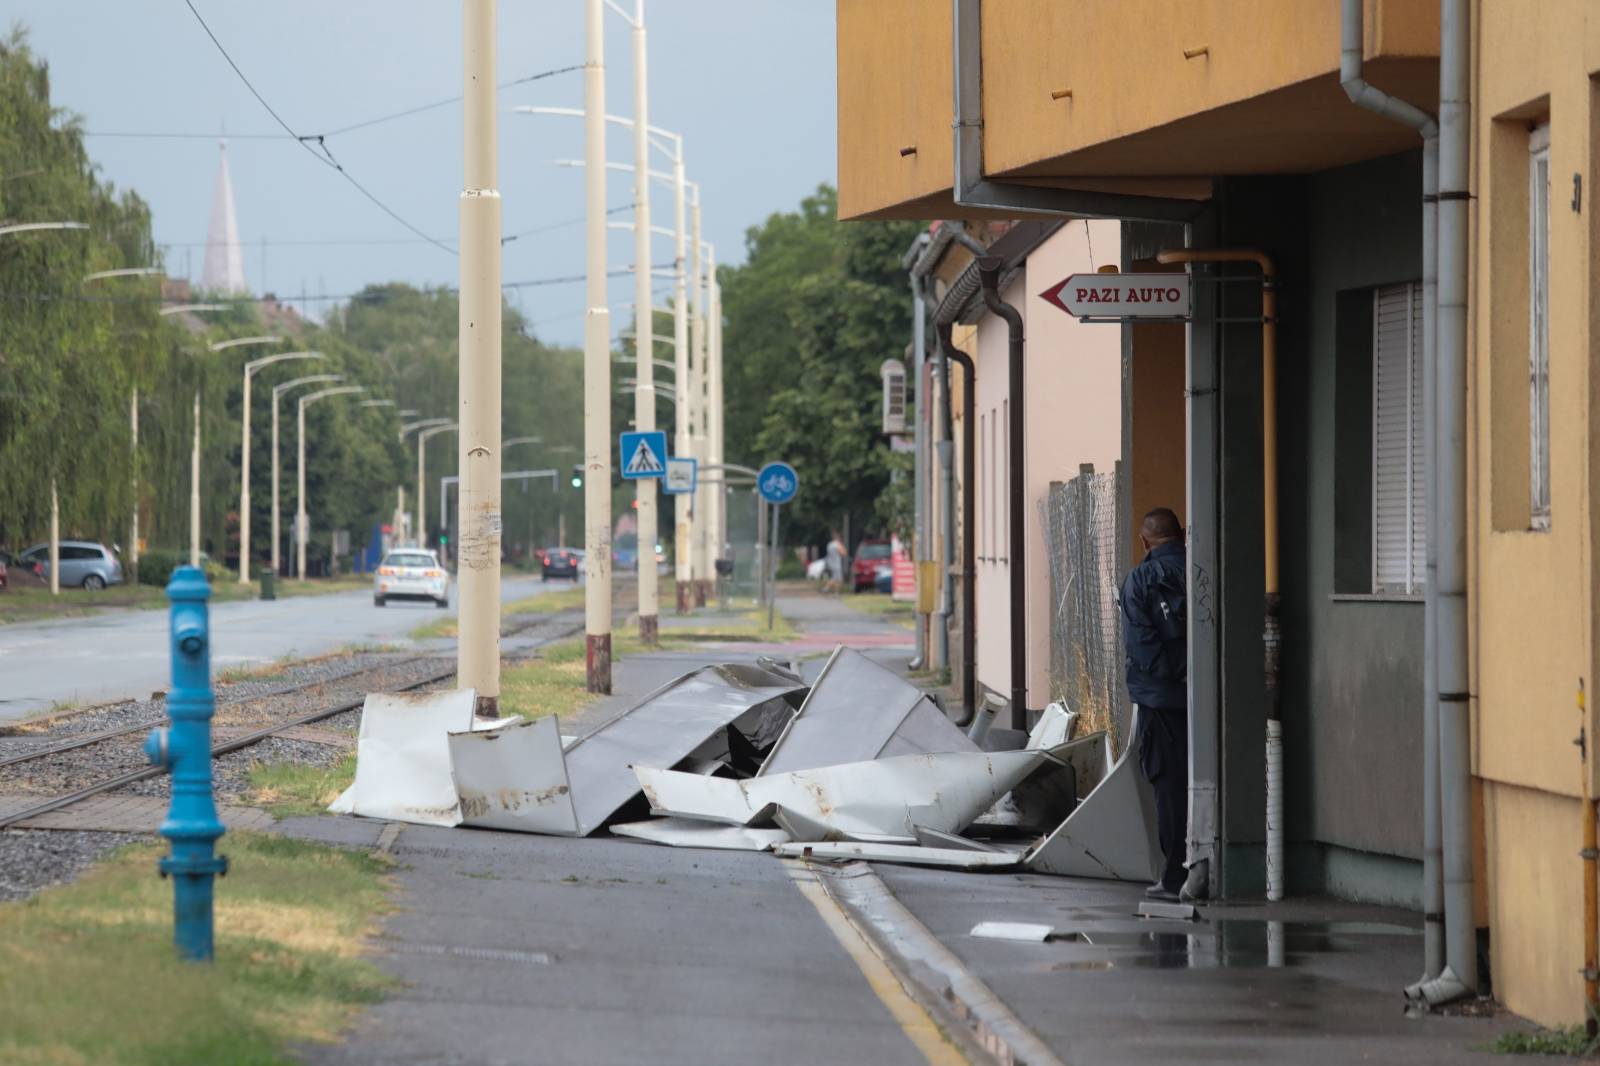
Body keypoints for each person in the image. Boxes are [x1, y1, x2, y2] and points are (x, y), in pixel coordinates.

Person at [1118, 506, 1189, 902]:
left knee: (1168, 786)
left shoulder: (1140, 580)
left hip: (1161, 703)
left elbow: (1142, 647)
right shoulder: (1203, 572)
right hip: (1207, 700)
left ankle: (1175, 876)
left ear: (1145, 542)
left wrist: (1171, 676)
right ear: (1182, 536)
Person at [823, 531, 846, 595]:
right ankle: (826, 588)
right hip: (836, 564)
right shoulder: (837, 544)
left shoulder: (830, 544)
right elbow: (843, 553)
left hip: (830, 563)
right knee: (838, 579)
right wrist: (843, 548)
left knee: (836, 578)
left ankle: (836, 592)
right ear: (838, 538)